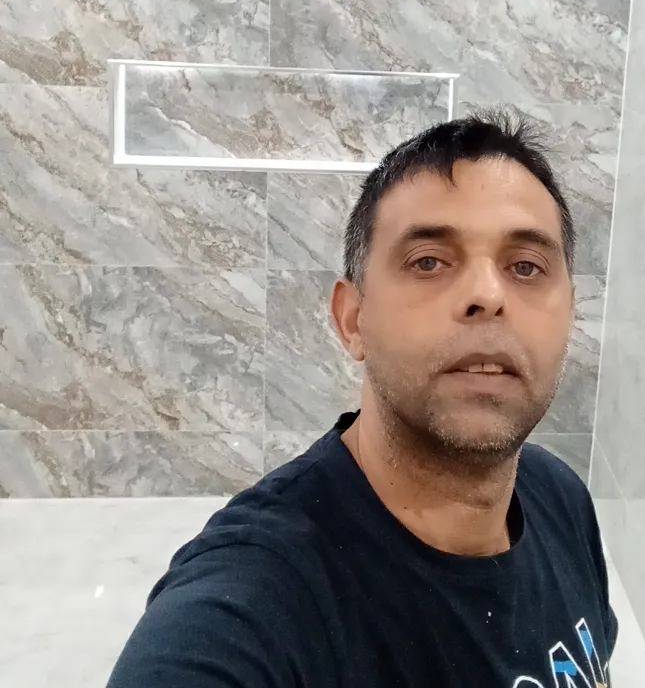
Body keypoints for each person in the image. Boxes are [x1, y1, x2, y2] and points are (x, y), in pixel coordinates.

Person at [107, 110, 617, 688]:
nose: (487, 293)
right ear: (352, 320)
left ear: (569, 316)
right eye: (429, 262)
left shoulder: (560, 498)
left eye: (526, 266)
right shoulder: (258, 602)